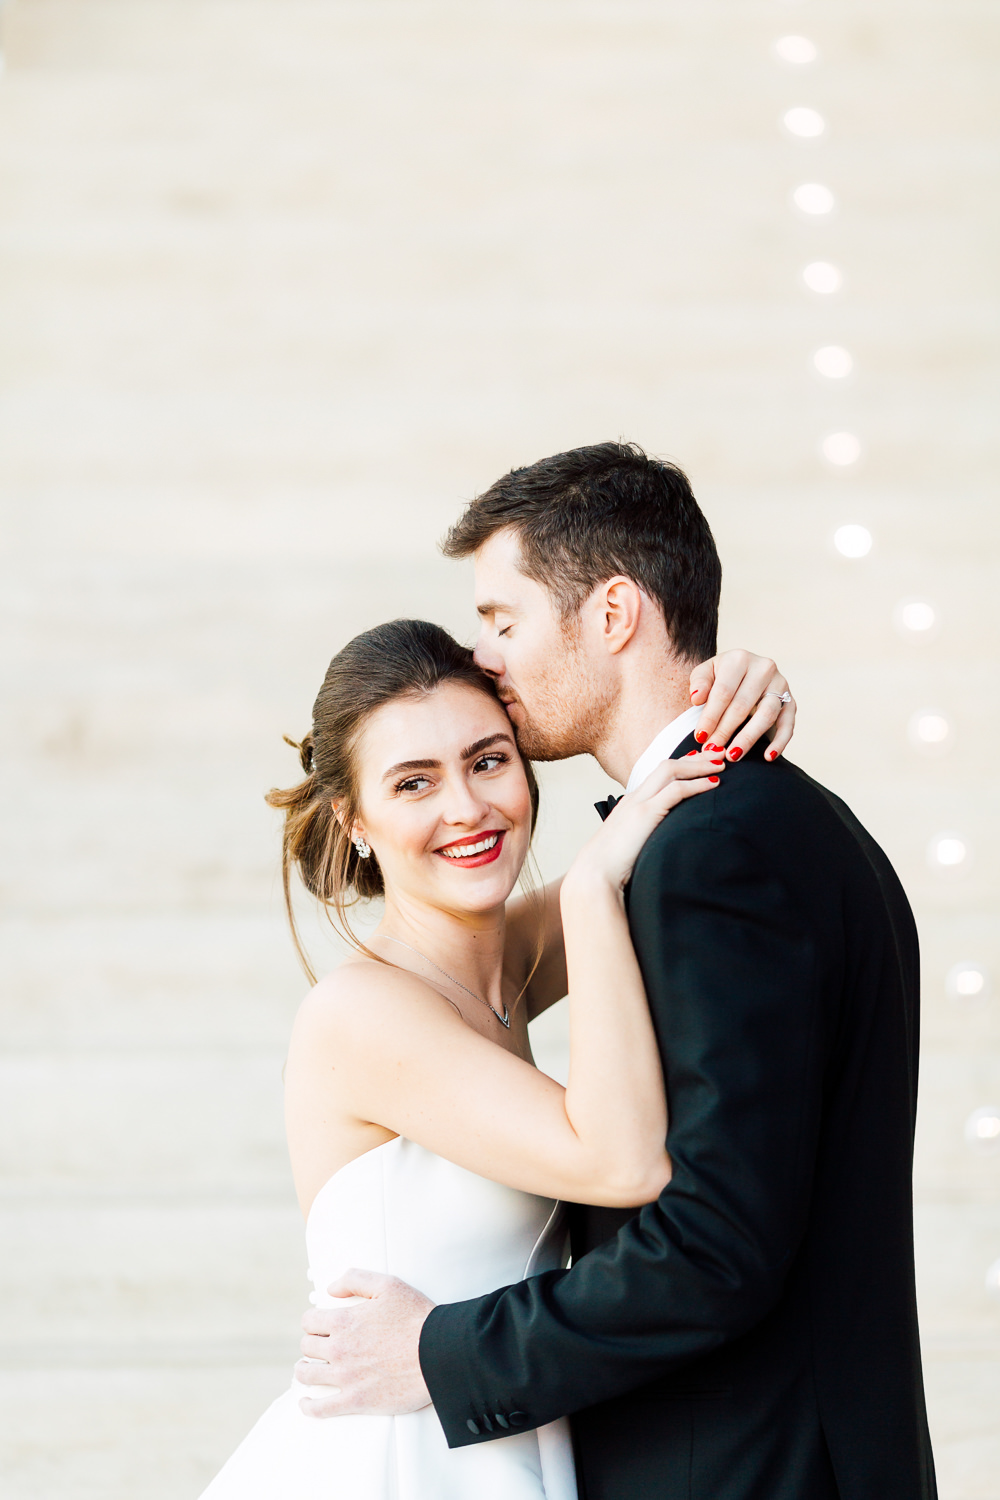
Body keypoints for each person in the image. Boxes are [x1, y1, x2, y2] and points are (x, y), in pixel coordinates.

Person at [295, 443, 937, 1500]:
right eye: (414, 781)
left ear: (612, 614)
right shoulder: (760, 819)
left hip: (742, 1468)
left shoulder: (705, 854)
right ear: (355, 821)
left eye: (502, 622)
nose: (486, 657)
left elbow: (713, 1245)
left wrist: (438, 1355)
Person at [198, 609, 793, 1499]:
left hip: (495, 1429)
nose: (467, 809)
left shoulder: (504, 956)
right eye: (413, 783)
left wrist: (737, 687)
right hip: (395, 1455)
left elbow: (665, 795)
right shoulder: (361, 1013)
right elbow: (621, 1160)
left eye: (487, 760)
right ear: (351, 818)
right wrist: (592, 890)